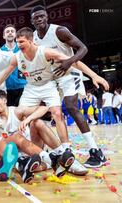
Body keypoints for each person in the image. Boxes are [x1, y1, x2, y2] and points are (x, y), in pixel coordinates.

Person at [0, 27, 109, 173]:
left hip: (48, 85)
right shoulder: (16, 57)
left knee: (57, 113)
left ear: (31, 40)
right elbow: (4, 73)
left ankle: (66, 151)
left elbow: (74, 62)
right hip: (31, 88)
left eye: (21, 42)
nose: (19, 45)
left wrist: (94, 76)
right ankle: (30, 154)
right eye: (17, 42)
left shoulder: (45, 51)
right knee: (24, 117)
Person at [30, 5, 107, 168]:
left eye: (42, 16)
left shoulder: (60, 31)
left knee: (71, 107)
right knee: (52, 111)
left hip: (70, 72)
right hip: (53, 77)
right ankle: (64, 150)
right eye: (36, 17)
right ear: (32, 21)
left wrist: (69, 62)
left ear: (47, 17)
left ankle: (95, 150)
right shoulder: (34, 38)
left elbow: (83, 48)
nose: (39, 19)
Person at [0, 90, 76, 183]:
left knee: (37, 122)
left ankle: (52, 157)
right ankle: (52, 160)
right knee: (13, 138)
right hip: (5, 152)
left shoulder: (17, 111)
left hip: (26, 151)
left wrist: (28, 119)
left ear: (5, 100)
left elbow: (44, 108)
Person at [1, 24, 27, 106]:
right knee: (10, 113)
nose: (10, 33)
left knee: (23, 112)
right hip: (7, 87)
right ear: (4, 36)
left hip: (23, 85)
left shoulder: (22, 48)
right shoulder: (0, 51)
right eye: (7, 32)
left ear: (15, 35)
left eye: (12, 31)